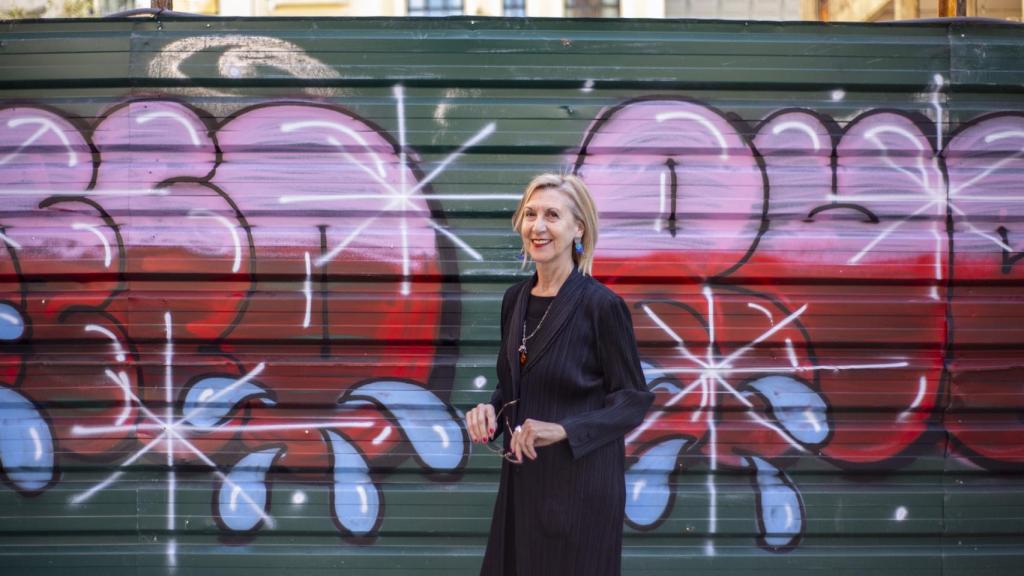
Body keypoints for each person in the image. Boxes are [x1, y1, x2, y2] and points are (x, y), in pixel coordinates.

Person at [465, 173, 655, 576]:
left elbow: (633, 399)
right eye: (530, 214)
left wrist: (564, 429)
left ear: (577, 228)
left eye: (552, 215)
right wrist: (490, 412)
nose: (538, 226)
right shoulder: (515, 299)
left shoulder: (601, 306)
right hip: (523, 485)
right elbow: (516, 383)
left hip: (581, 488)